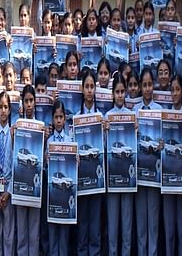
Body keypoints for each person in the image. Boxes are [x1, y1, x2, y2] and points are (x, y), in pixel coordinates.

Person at [134, 68, 162, 256]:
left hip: (154, 174)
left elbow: (165, 140)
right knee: (141, 224)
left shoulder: (160, 111)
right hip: (138, 174)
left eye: (150, 84)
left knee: (153, 223)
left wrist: (162, 144)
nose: (147, 88)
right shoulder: (134, 111)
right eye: (144, 85)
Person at [105, 73, 133, 256]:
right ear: (113, 94)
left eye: (123, 91)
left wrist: (136, 131)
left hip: (128, 178)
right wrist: (105, 131)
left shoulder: (132, 116)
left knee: (127, 227)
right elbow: (104, 148)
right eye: (117, 92)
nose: (120, 95)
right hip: (113, 177)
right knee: (113, 226)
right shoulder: (107, 117)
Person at [162, 74, 182, 256]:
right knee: (169, 229)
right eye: (172, 90)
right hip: (167, 177)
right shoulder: (163, 116)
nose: (174, 93)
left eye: (177, 89)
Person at [76, 70, 102, 256]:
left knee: (95, 223)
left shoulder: (101, 117)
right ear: (82, 89)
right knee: (83, 223)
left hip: (97, 179)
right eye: (87, 87)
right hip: (81, 178)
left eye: (92, 87)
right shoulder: (76, 118)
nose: (90, 90)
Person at [14, 84, 41, 256]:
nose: (29, 104)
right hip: (20, 183)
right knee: (22, 233)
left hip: (35, 184)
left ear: (35, 102)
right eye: (26, 101)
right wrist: (12, 137)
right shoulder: (17, 126)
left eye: (31, 100)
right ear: (22, 103)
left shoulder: (42, 126)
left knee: (34, 232)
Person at [47, 100, 74, 255]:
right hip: (52, 194)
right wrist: (45, 160)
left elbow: (72, 170)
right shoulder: (48, 141)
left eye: (61, 117)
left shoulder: (70, 141)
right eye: (56, 117)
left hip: (65, 194)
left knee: (64, 235)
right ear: (52, 119)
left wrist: (76, 161)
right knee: (52, 234)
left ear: (65, 119)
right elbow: (44, 169)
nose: (58, 120)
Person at [0, 91, 15, 256]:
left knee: (8, 232)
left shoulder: (13, 134)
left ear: (10, 110)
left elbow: (16, 165)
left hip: (8, 186)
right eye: (0, 107)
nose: (3, 110)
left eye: (6, 107)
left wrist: (8, 192)